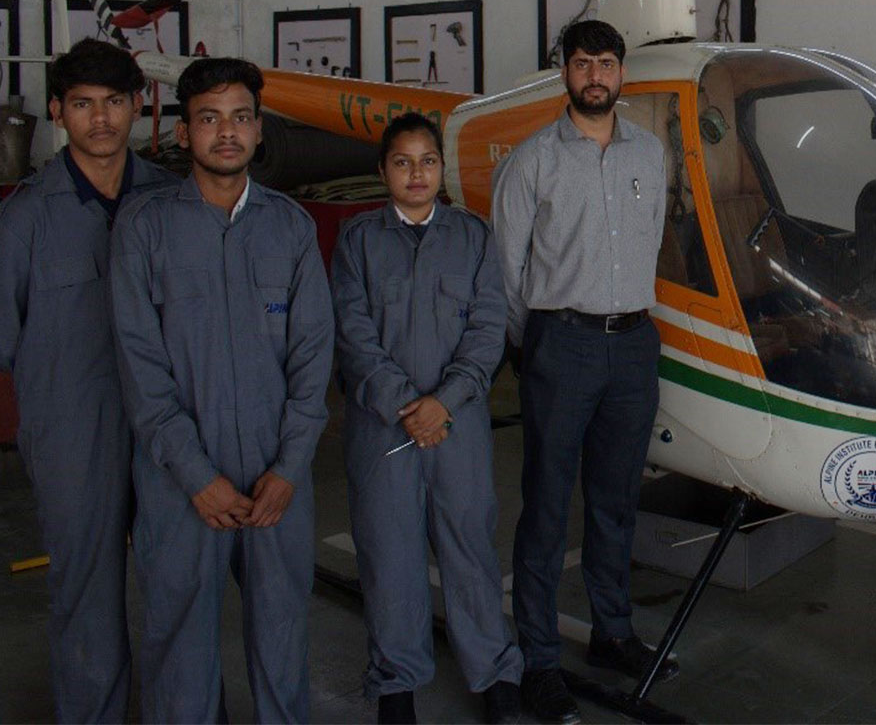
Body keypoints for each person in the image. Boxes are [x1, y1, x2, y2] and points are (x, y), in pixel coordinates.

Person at [109, 56, 334, 723]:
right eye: (209, 119)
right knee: (179, 644)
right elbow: (140, 369)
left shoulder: (291, 228)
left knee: (282, 634)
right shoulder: (144, 229)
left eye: (240, 118)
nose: (226, 133)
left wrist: (289, 469)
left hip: (276, 481)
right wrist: (194, 475)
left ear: (259, 131)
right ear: (185, 134)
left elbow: (313, 358)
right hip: (180, 485)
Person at [492, 18, 671, 725]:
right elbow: (506, 271)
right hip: (559, 344)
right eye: (581, 63)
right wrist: (529, 347)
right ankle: (537, 658)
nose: (595, 75)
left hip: (633, 345)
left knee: (617, 497)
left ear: (621, 72)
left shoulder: (650, 154)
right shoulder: (532, 160)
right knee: (545, 505)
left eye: (606, 63)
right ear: (562, 72)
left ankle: (613, 631)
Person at [0, 39, 175, 722]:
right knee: (86, 590)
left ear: (138, 106)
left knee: (177, 582)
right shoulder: (24, 219)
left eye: (113, 102)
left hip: (169, 425)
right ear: (56, 111)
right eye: (82, 104)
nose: (99, 119)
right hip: (74, 430)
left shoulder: (171, 202)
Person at [333, 113, 522, 725]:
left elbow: (488, 328)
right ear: (383, 170)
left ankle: (494, 675)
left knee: (469, 548)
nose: (416, 174)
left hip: (457, 425)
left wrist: (447, 400)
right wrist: (404, 404)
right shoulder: (358, 240)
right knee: (389, 555)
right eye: (402, 162)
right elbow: (352, 331)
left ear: (442, 169)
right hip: (383, 426)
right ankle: (395, 684)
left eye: (428, 161)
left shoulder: (473, 237)